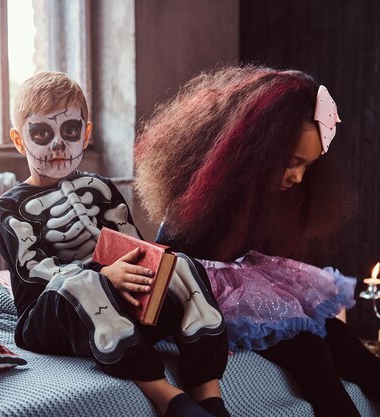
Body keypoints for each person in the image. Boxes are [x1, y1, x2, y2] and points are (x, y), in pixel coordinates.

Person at [134, 65, 380, 417]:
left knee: (336, 335)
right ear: (257, 149)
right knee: (311, 350)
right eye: (292, 162)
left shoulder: (266, 196)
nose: (297, 177)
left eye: (307, 167)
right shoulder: (199, 202)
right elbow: (171, 267)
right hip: (202, 298)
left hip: (244, 290)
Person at [0, 71, 231, 417]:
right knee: (83, 281)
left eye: (70, 131)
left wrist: (151, 273)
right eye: (42, 133)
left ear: (86, 134)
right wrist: (101, 273)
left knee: (181, 263)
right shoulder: (9, 206)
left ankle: (208, 393)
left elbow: (134, 246)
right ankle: (166, 397)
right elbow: (34, 272)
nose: (58, 145)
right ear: (19, 140)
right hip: (51, 318)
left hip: (120, 308)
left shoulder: (101, 187)